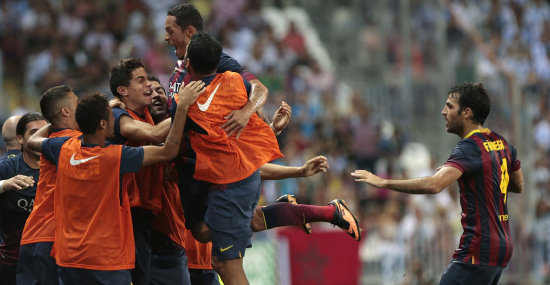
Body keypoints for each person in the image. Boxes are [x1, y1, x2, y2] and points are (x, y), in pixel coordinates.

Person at [180, 32, 361, 285]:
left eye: (171, 31)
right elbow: (242, 145)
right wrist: (271, 131)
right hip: (224, 179)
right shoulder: (226, 83)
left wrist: (180, 111)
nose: (167, 37)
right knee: (218, 227)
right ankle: (307, 211)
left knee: (225, 262)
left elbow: (258, 95)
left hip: (230, 182)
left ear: (188, 37)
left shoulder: (209, 92)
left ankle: (312, 211)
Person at [26, 82, 204, 284]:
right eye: (113, 118)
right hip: (105, 258)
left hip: (70, 257)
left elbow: (32, 141)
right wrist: (182, 109)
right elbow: (167, 151)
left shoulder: (62, 148)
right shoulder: (115, 157)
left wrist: (58, 118)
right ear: (102, 124)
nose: (116, 120)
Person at [351, 82, 524, 285]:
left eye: (450, 106)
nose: (443, 111)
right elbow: (518, 185)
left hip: (478, 249)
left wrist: (383, 182)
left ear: (466, 112)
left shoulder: (469, 147)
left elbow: (435, 185)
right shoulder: (502, 142)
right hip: (502, 247)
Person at [109, 58, 182, 284]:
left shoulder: (146, 114)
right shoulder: (117, 117)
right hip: (125, 213)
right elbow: (155, 135)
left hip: (147, 213)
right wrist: (186, 107)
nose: (148, 85)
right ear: (123, 90)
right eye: (141, 81)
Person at [18, 85, 81, 285]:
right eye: (78, 103)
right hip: (49, 239)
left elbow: (36, 139)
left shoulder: (54, 138)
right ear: (66, 111)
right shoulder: (71, 142)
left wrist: (52, 122)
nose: (83, 107)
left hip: (37, 236)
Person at [0, 112, 48, 285]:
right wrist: (4, 185)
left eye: (44, 132)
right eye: (33, 132)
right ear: (20, 138)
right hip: (13, 263)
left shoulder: (60, 166)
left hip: (52, 263)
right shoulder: (7, 168)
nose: (39, 138)